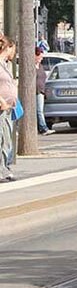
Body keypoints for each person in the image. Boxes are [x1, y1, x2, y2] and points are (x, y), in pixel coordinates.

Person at [0, 35, 18, 182]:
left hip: (8, 107)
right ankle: (2, 169)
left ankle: (4, 168)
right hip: (2, 107)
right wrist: (2, 101)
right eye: (14, 50)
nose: (14, 53)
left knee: (6, 139)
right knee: (2, 139)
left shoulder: (6, 65)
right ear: (9, 47)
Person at [35, 47, 55, 136]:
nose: (41, 59)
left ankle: (41, 127)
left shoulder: (40, 66)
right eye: (40, 57)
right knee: (39, 111)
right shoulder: (32, 66)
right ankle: (43, 128)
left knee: (39, 110)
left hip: (40, 91)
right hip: (36, 91)